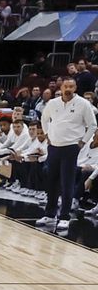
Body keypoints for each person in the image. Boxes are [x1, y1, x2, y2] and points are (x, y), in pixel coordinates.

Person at [37, 77, 98, 231]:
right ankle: (50, 215)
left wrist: (82, 142)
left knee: (67, 182)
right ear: (62, 87)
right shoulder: (53, 103)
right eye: (66, 86)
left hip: (71, 147)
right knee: (51, 182)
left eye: (71, 86)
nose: (68, 89)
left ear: (75, 87)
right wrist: (47, 134)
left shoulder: (83, 104)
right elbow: (44, 119)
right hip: (54, 147)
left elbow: (92, 125)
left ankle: (64, 217)